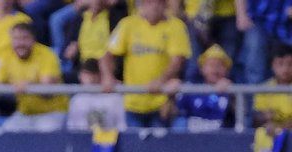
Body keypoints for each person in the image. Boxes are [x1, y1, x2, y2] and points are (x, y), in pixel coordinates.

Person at [100, 0, 189, 128]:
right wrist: (107, 77)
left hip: (161, 101)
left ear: (165, 5)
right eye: (149, 2)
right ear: (141, 5)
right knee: (134, 145)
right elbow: (107, 55)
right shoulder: (128, 24)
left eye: (159, 3)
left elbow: (177, 61)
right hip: (132, 101)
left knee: (160, 145)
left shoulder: (176, 26)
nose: (154, 6)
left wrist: (161, 80)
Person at [0, 22, 68, 129]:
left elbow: (48, 89)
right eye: (16, 39)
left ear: (33, 39)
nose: (20, 43)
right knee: (7, 131)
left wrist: (30, 85)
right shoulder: (6, 56)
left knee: (46, 132)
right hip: (25, 113)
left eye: (24, 38)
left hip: (52, 112)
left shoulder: (46, 54)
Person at [172, 42, 234, 129]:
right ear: (202, 68)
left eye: (220, 65)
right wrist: (171, 95)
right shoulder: (191, 88)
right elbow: (172, 112)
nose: (215, 69)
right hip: (192, 137)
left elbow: (240, 114)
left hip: (221, 137)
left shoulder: (233, 90)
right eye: (211, 64)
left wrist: (232, 93)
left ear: (227, 70)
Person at [66, 56, 123, 128]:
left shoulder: (115, 99)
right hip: (81, 137)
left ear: (100, 75)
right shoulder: (77, 100)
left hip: (109, 137)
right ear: (80, 76)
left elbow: (121, 126)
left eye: (93, 74)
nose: (90, 78)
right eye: (86, 74)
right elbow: (71, 127)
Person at [252, 45, 292, 127]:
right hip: (270, 132)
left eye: (290, 64)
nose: (285, 69)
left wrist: (282, 128)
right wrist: (265, 117)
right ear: (272, 66)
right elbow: (257, 119)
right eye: (280, 64)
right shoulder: (264, 89)